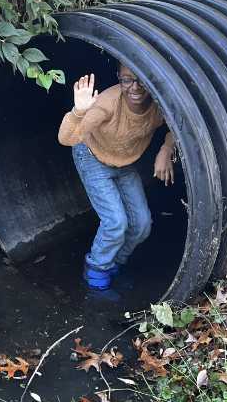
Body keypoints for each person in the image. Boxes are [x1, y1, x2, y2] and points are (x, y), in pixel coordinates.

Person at [57, 66, 175, 290]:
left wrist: (166, 150)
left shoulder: (158, 105)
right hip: (91, 156)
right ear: (118, 79)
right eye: (127, 80)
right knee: (115, 223)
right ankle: (96, 275)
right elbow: (67, 137)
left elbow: (180, 125)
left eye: (141, 80)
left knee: (141, 225)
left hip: (124, 162)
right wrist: (79, 111)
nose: (135, 87)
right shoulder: (106, 104)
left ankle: (113, 264)